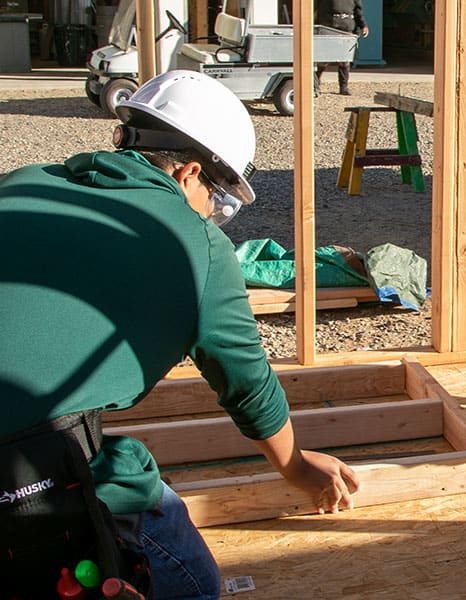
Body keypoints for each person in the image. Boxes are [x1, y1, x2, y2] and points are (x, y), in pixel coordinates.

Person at [0, 70, 360, 598]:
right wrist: (298, 467)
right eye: (221, 199)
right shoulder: (197, 243)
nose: (216, 214)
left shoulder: (22, 182)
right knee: (190, 576)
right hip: (21, 479)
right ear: (191, 172)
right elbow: (247, 385)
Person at [314, 0, 369, 96]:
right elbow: (317, 8)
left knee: (344, 59)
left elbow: (358, 11)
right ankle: (315, 85)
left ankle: (344, 87)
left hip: (346, 28)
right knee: (323, 59)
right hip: (328, 27)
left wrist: (363, 25)